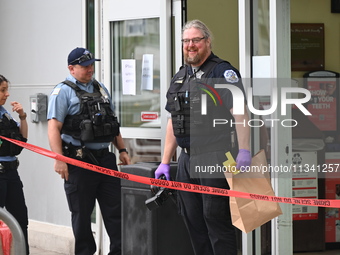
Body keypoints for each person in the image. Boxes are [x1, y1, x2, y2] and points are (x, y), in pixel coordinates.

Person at [154, 20, 251, 255]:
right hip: (187, 160)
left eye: (196, 40)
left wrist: (244, 150)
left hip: (215, 156)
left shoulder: (222, 72)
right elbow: (173, 122)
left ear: (207, 42)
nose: (190, 45)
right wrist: (165, 161)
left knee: (215, 221)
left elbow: (241, 113)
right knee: (193, 222)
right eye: (186, 41)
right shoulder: (180, 76)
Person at [47, 47, 130, 255]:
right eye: (85, 66)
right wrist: (59, 159)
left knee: (116, 213)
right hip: (79, 162)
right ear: (71, 68)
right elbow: (53, 128)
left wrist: (122, 149)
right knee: (82, 216)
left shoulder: (100, 88)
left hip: (106, 160)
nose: (90, 69)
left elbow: (112, 123)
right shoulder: (63, 91)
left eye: (91, 65)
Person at [0, 75, 29, 254]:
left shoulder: (4, 113)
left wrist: (23, 117)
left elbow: (23, 140)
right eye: (3, 90)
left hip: (11, 173)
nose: (7, 94)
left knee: (20, 219)